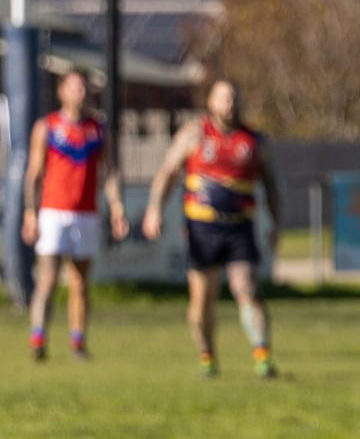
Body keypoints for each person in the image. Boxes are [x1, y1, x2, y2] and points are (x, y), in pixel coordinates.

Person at [142, 80, 282, 378]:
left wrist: (276, 223)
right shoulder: (194, 135)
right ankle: (207, 355)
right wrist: (155, 208)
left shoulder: (254, 141)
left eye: (234, 98)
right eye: (223, 98)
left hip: (239, 227)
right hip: (202, 229)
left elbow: (270, 184)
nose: (229, 104)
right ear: (211, 102)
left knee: (247, 288)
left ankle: (262, 355)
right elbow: (168, 171)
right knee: (202, 300)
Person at [22, 68, 129, 360]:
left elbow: (110, 173)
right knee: (48, 278)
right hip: (54, 212)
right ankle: (38, 339)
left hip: (87, 215)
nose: (80, 93)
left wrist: (117, 207)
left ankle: (78, 342)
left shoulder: (98, 129)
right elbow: (33, 174)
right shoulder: (47, 127)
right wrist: (30, 212)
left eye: (84, 88)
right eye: (74, 87)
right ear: (62, 92)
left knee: (80, 283)